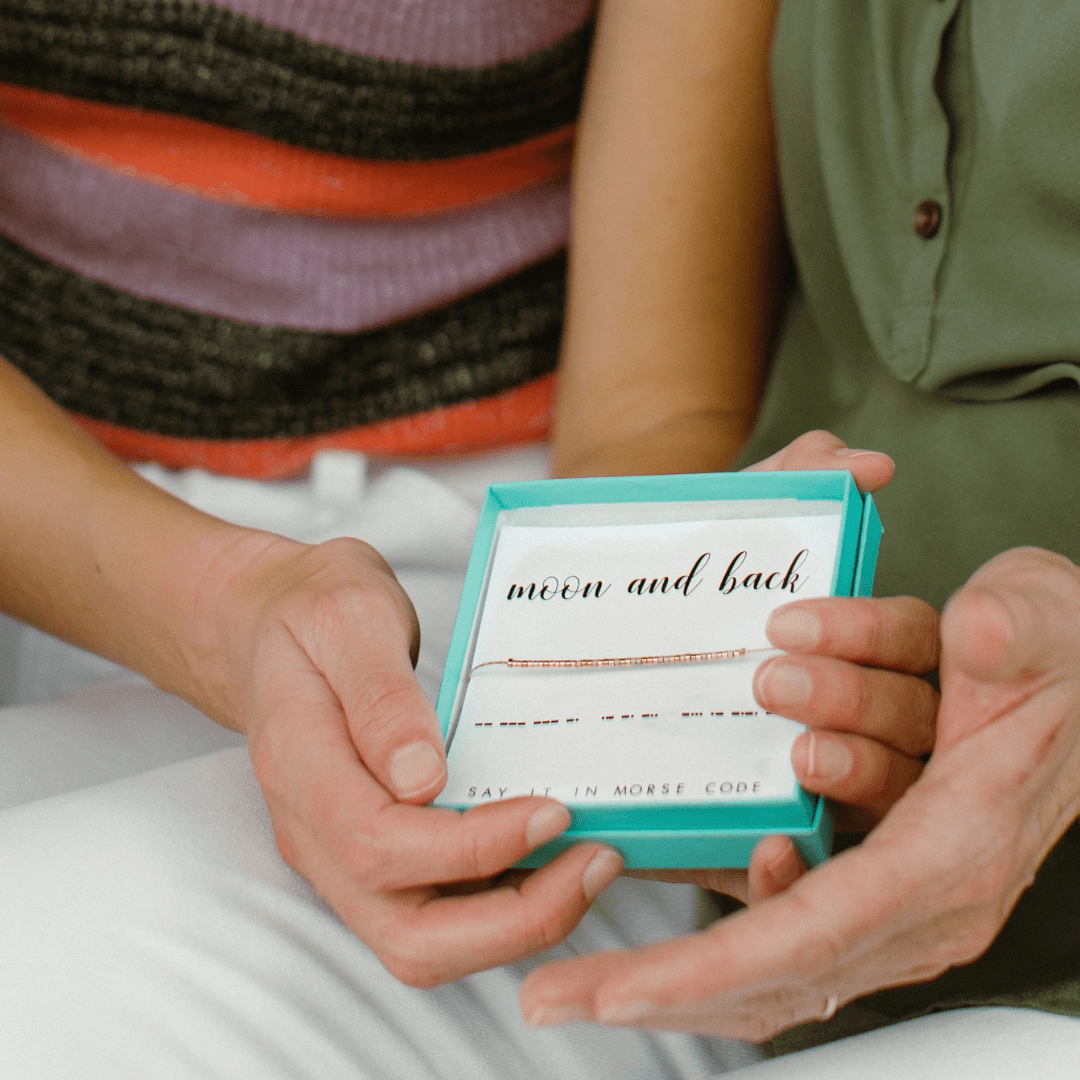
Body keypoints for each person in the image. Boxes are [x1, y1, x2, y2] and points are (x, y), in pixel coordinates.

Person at [0, 2, 1079, 1078]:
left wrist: (664, 674)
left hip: (498, 574)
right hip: (116, 562)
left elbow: (645, 407)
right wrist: (227, 601)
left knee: (54, 958)